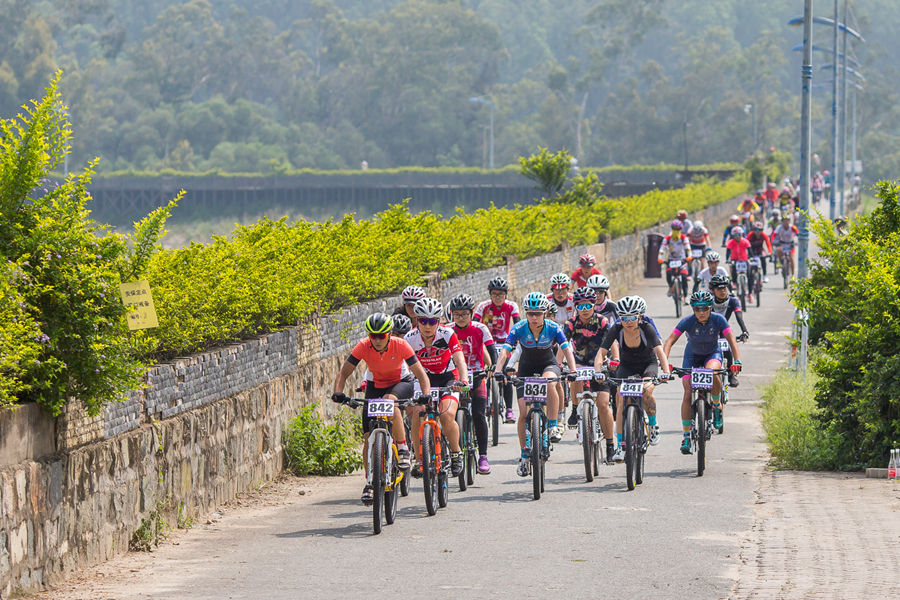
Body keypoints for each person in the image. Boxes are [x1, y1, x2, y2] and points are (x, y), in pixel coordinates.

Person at [331, 313, 431, 505]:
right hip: (374, 385)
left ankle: (403, 450)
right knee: (368, 438)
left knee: (389, 402)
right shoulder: (362, 346)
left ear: (390, 334)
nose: (377, 340)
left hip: (400, 383)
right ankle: (370, 482)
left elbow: (421, 373)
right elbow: (343, 373)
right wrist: (338, 392)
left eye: (381, 336)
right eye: (373, 336)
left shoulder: (401, 345)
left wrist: (425, 394)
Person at [497, 292, 577, 477]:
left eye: (538, 313)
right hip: (525, 368)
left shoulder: (554, 327)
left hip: (548, 365)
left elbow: (567, 349)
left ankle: (553, 425)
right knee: (524, 414)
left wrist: (572, 370)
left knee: (550, 383)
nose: (534, 317)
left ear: (546, 311)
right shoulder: (519, 328)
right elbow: (505, 351)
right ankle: (524, 455)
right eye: (530, 313)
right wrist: (500, 369)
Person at [662, 291, 742, 455]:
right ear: (692, 309)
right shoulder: (688, 321)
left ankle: (716, 404)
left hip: (712, 354)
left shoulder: (718, 319)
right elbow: (669, 341)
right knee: (687, 391)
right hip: (691, 356)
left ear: (710, 307)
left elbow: (731, 339)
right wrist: (664, 365)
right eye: (697, 309)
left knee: (712, 372)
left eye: (705, 308)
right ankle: (686, 435)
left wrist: (737, 361)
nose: (701, 312)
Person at [597, 296, 672, 461]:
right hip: (627, 364)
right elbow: (601, 352)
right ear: (620, 318)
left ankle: (652, 424)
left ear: (639, 316)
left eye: (632, 317)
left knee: (646, 392)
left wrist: (665, 371)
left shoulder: (647, 327)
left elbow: (659, 351)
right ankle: (620, 446)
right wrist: (598, 371)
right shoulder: (616, 328)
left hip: (647, 364)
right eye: (624, 318)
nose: (629, 322)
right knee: (620, 399)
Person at [404, 297, 468, 478]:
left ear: (438, 321)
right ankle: (418, 459)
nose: (427, 326)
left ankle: (456, 453)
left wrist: (463, 381)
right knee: (417, 411)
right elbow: (404, 366)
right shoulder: (410, 338)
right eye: (423, 320)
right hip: (424, 378)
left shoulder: (447, 334)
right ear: (416, 320)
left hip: (448, 377)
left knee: (447, 415)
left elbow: (459, 359)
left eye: (432, 321)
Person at [563, 287, 616, 462]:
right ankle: (575, 408)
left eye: (588, 305)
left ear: (594, 305)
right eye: (581, 306)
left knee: (602, 405)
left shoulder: (602, 321)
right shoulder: (571, 323)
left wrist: (615, 360)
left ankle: (610, 445)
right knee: (573, 373)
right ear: (576, 307)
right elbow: (563, 346)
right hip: (579, 361)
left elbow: (612, 342)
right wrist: (557, 364)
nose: (585, 309)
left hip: (600, 364)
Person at [448, 294, 497, 475]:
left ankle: (483, 456)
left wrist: (491, 366)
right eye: (457, 314)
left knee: (478, 413)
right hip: (455, 377)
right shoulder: (447, 330)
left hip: (477, 374)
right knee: (449, 415)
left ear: (471, 313)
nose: (461, 318)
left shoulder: (480, 328)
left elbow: (491, 348)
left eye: (464, 314)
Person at [473, 277, 520, 423]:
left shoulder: (512, 306)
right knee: (485, 371)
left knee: (506, 374)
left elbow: (517, 325)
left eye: (500, 294)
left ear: (506, 294)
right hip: (487, 343)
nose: (497, 297)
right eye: (494, 294)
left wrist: (516, 342)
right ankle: (488, 401)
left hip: (504, 343)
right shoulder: (483, 306)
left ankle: (509, 410)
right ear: (490, 294)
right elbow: (473, 325)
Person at [709, 275, 749, 394]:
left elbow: (739, 316)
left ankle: (731, 375)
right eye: (718, 289)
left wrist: (744, 331)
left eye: (724, 288)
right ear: (713, 290)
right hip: (710, 331)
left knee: (727, 350)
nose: (722, 291)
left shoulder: (732, 301)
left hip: (724, 331)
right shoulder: (709, 301)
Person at [658, 219, 691, 303]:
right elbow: (662, 249)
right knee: (668, 274)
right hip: (671, 260)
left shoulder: (684, 238)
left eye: (678, 229)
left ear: (681, 230)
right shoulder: (667, 239)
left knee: (684, 277)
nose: (676, 231)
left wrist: (689, 256)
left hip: (682, 260)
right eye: (674, 229)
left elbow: (688, 248)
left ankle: (685, 296)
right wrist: (660, 258)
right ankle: (671, 287)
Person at [687, 219, 711, 293]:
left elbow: (707, 238)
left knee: (702, 261)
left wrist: (709, 245)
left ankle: (703, 277)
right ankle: (690, 271)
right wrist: (686, 245)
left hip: (701, 245)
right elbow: (687, 238)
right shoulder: (690, 230)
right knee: (690, 258)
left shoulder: (704, 230)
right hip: (693, 245)